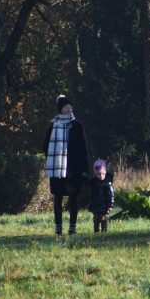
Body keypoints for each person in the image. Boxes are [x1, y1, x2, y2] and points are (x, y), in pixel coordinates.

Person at [44, 95, 89, 236]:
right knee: (57, 197)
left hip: (73, 167)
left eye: (70, 107)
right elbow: (45, 146)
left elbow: (83, 148)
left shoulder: (77, 125)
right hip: (57, 167)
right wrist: (52, 159)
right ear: (60, 110)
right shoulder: (53, 124)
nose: (69, 109)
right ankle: (58, 227)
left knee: (73, 197)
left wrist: (84, 169)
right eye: (66, 107)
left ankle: (72, 227)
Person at [86, 159, 115, 233]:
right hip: (95, 204)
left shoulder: (107, 183)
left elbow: (111, 195)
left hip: (104, 204)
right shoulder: (94, 182)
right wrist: (84, 177)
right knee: (96, 218)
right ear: (96, 174)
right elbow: (88, 182)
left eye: (103, 174)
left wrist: (110, 205)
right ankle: (96, 230)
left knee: (103, 218)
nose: (101, 176)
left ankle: (104, 230)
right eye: (99, 174)